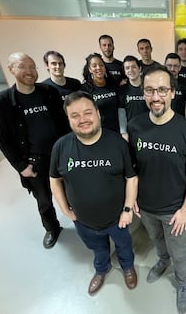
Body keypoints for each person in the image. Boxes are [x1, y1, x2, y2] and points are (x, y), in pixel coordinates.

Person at [127, 66, 186, 314]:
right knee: (157, 241)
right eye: (150, 90)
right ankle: (162, 260)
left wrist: (185, 210)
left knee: (180, 252)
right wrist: (133, 198)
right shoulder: (135, 126)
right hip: (146, 206)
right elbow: (133, 168)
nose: (156, 97)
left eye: (162, 90)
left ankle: (183, 283)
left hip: (174, 210)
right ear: (143, 93)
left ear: (172, 92)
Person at [49, 90, 138, 295]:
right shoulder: (61, 147)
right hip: (83, 220)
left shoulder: (117, 143)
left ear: (98, 113)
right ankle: (102, 269)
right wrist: (65, 210)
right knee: (98, 249)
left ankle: (127, 267)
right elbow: (54, 179)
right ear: (68, 119)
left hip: (118, 219)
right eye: (75, 115)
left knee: (124, 247)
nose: (83, 120)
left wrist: (127, 209)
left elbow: (131, 178)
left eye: (87, 112)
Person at [0, 52, 68, 248]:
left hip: (59, 155)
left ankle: (81, 221)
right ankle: (52, 228)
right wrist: (21, 167)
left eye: (32, 67)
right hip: (34, 161)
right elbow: (3, 139)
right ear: (11, 69)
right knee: (43, 200)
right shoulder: (2, 101)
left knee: (71, 192)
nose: (29, 71)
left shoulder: (49, 92)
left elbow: (63, 123)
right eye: (23, 66)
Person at [81, 53, 127, 138]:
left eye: (101, 65)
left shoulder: (113, 84)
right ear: (90, 69)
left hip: (117, 132)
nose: (98, 68)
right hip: (98, 134)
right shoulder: (85, 89)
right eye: (94, 66)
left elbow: (121, 108)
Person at [119, 55, 149, 121]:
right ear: (124, 71)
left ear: (140, 68)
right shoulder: (123, 89)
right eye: (127, 68)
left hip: (149, 128)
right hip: (131, 129)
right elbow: (122, 111)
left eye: (134, 67)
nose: (131, 70)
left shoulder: (148, 87)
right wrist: (123, 130)